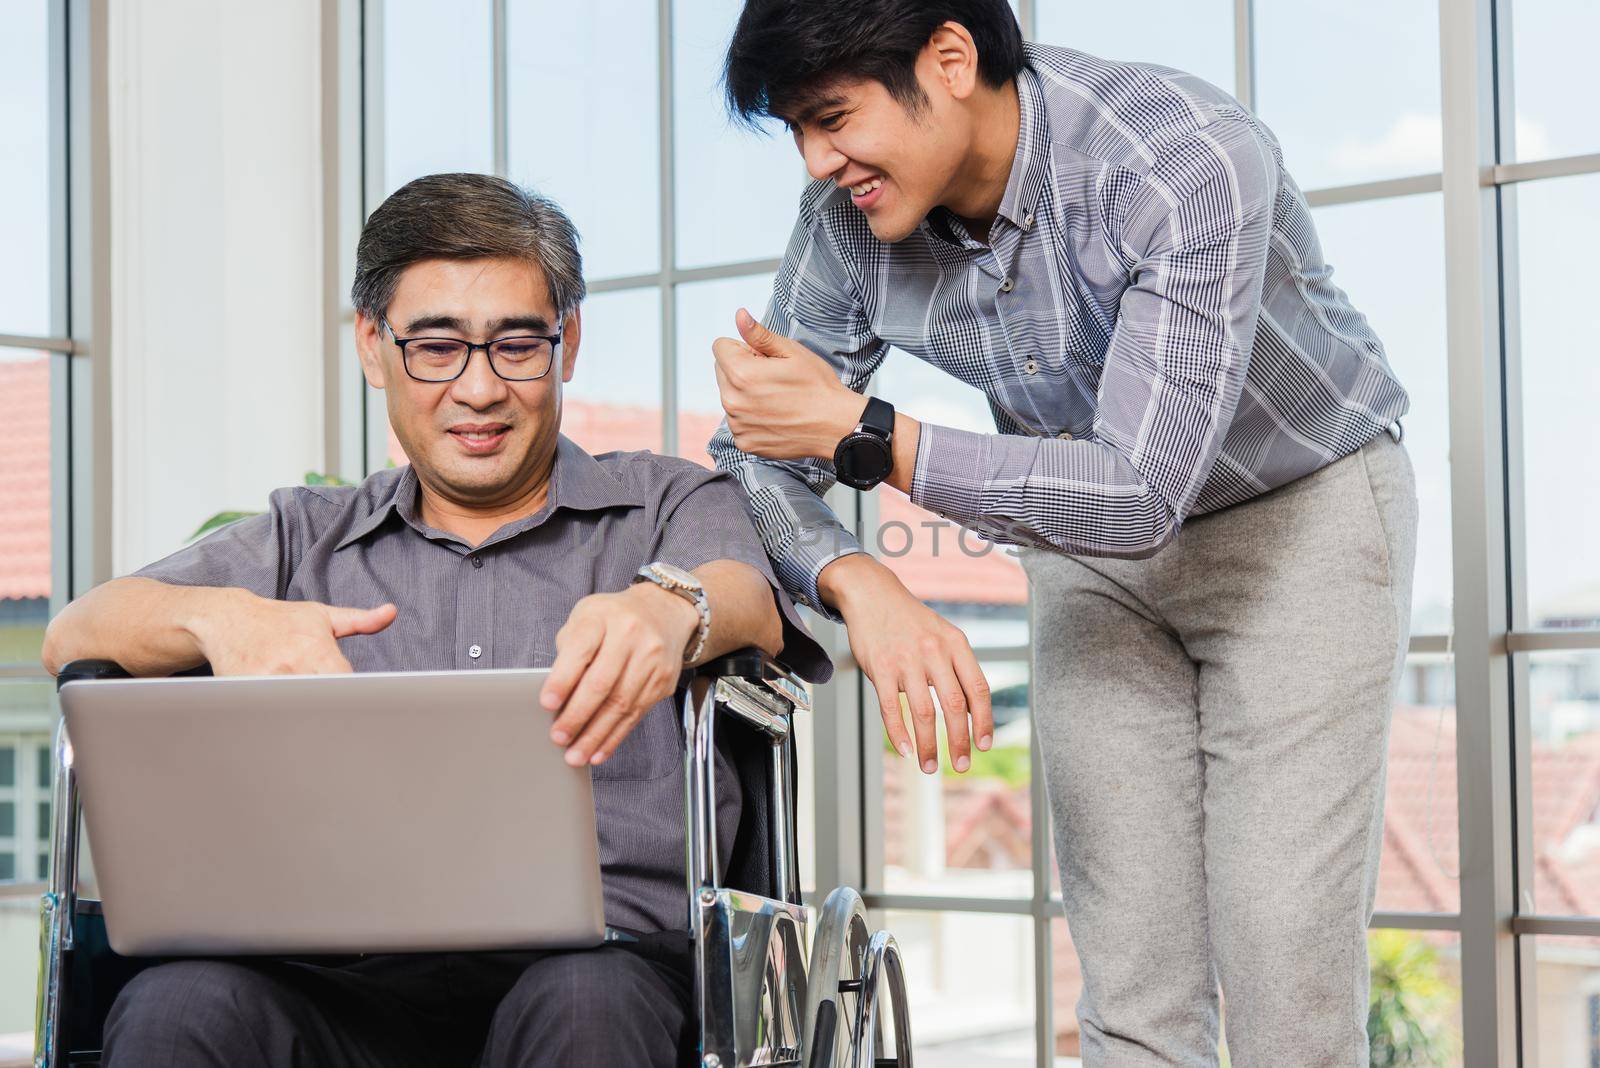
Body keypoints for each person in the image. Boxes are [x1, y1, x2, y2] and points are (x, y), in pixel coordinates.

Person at [708, 1, 1417, 1063]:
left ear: (948, 59)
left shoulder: (1179, 159)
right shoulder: (846, 225)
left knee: (1284, 971)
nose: (816, 162)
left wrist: (870, 434)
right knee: (1130, 979)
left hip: (1296, 521)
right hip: (1085, 552)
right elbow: (753, 458)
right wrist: (858, 580)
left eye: (831, 117)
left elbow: (1140, 488)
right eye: (797, 131)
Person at [42, 172, 828, 1068]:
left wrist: (668, 605)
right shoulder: (306, 535)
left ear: (567, 344)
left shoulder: (666, 504)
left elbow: (748, 594)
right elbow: (75, 633)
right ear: (374, 348)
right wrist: (223, 620)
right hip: (333, 979)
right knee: (179, 1006)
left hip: (602, 969)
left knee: (584, 1008)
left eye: (516, 345)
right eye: (437, 347)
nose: (480, 389)